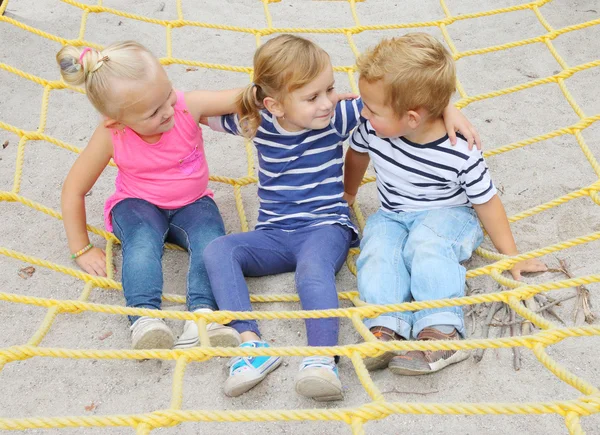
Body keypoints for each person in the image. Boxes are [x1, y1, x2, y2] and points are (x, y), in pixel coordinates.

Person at [202, 34, 481, 400]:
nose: (328, 101)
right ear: (275, 105)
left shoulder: (336, 116)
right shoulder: (257, 121)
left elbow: (403, 102)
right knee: (218, 251)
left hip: (325, 227)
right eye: (312, 96)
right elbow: (193, 110)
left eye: (330, 89)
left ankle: (322, 359)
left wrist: (447, 109)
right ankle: (250, 346)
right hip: (273, 233)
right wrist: (254, 95)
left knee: (311, 271)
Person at [343, 33, 547, 375]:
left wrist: (512, 255)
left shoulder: (459, 149)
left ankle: (441, 330)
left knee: (426, 246)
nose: (362, 112)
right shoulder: (373, 126)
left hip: (450, 215)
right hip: (393, 214)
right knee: (377, 249)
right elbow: (357, 155)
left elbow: (487, 201)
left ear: (411, 117)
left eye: (372, 108)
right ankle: (385, 325)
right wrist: (349, 193)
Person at [58, 41, 242, 350]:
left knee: (212, 241)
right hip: (137, 204)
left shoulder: (186, 106)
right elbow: (74, 189)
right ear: (116, 120)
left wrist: (285, 92)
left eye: (168, 95)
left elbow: (241, 97)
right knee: (142, 242)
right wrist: (82, 248)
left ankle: (202, 317)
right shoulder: (112, 134)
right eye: (154, 112)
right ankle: (145, 319)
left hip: (193, 202)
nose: (169, 110)